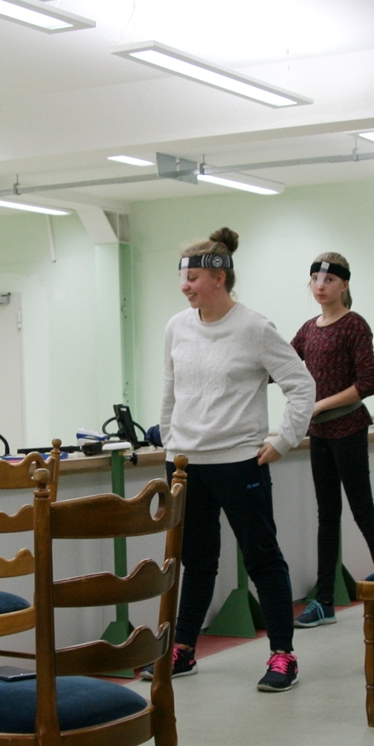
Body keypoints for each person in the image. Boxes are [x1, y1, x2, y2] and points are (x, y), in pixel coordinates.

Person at [155, 227, 316, 692]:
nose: (185, 286)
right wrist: (171, 446)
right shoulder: (176, 327)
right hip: (187, 465)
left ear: (219, 279)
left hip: (240, 462)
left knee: (262, 557)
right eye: (183, 278)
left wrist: (284, 440)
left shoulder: (254, 328)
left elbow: (301, 385)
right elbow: (170, 392)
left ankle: (283, 655)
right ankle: (184, 649)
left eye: (193, 278)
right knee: (196, 561)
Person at [291, 252, 374, 629]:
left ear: (344, 284)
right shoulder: (308, 329)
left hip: (349, 429)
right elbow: (283, 365)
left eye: (329, 280)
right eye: (315, 279)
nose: (320, 286)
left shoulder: (354, 325)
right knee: (327, 516)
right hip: (319, 433)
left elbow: (367, 383)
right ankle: (324, 601)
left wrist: (320, 404)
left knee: (364, 513)